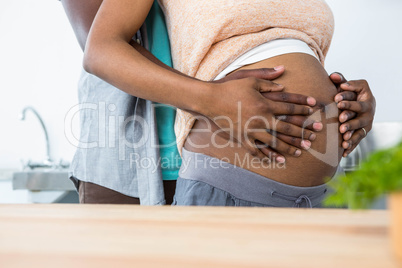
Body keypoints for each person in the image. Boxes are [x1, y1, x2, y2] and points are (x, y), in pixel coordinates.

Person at [64, 0, 375, 206]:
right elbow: (99, 47)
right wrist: (212, 99)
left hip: (326, 189)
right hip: (222, 173)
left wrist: (339, 97)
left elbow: (273, 49)